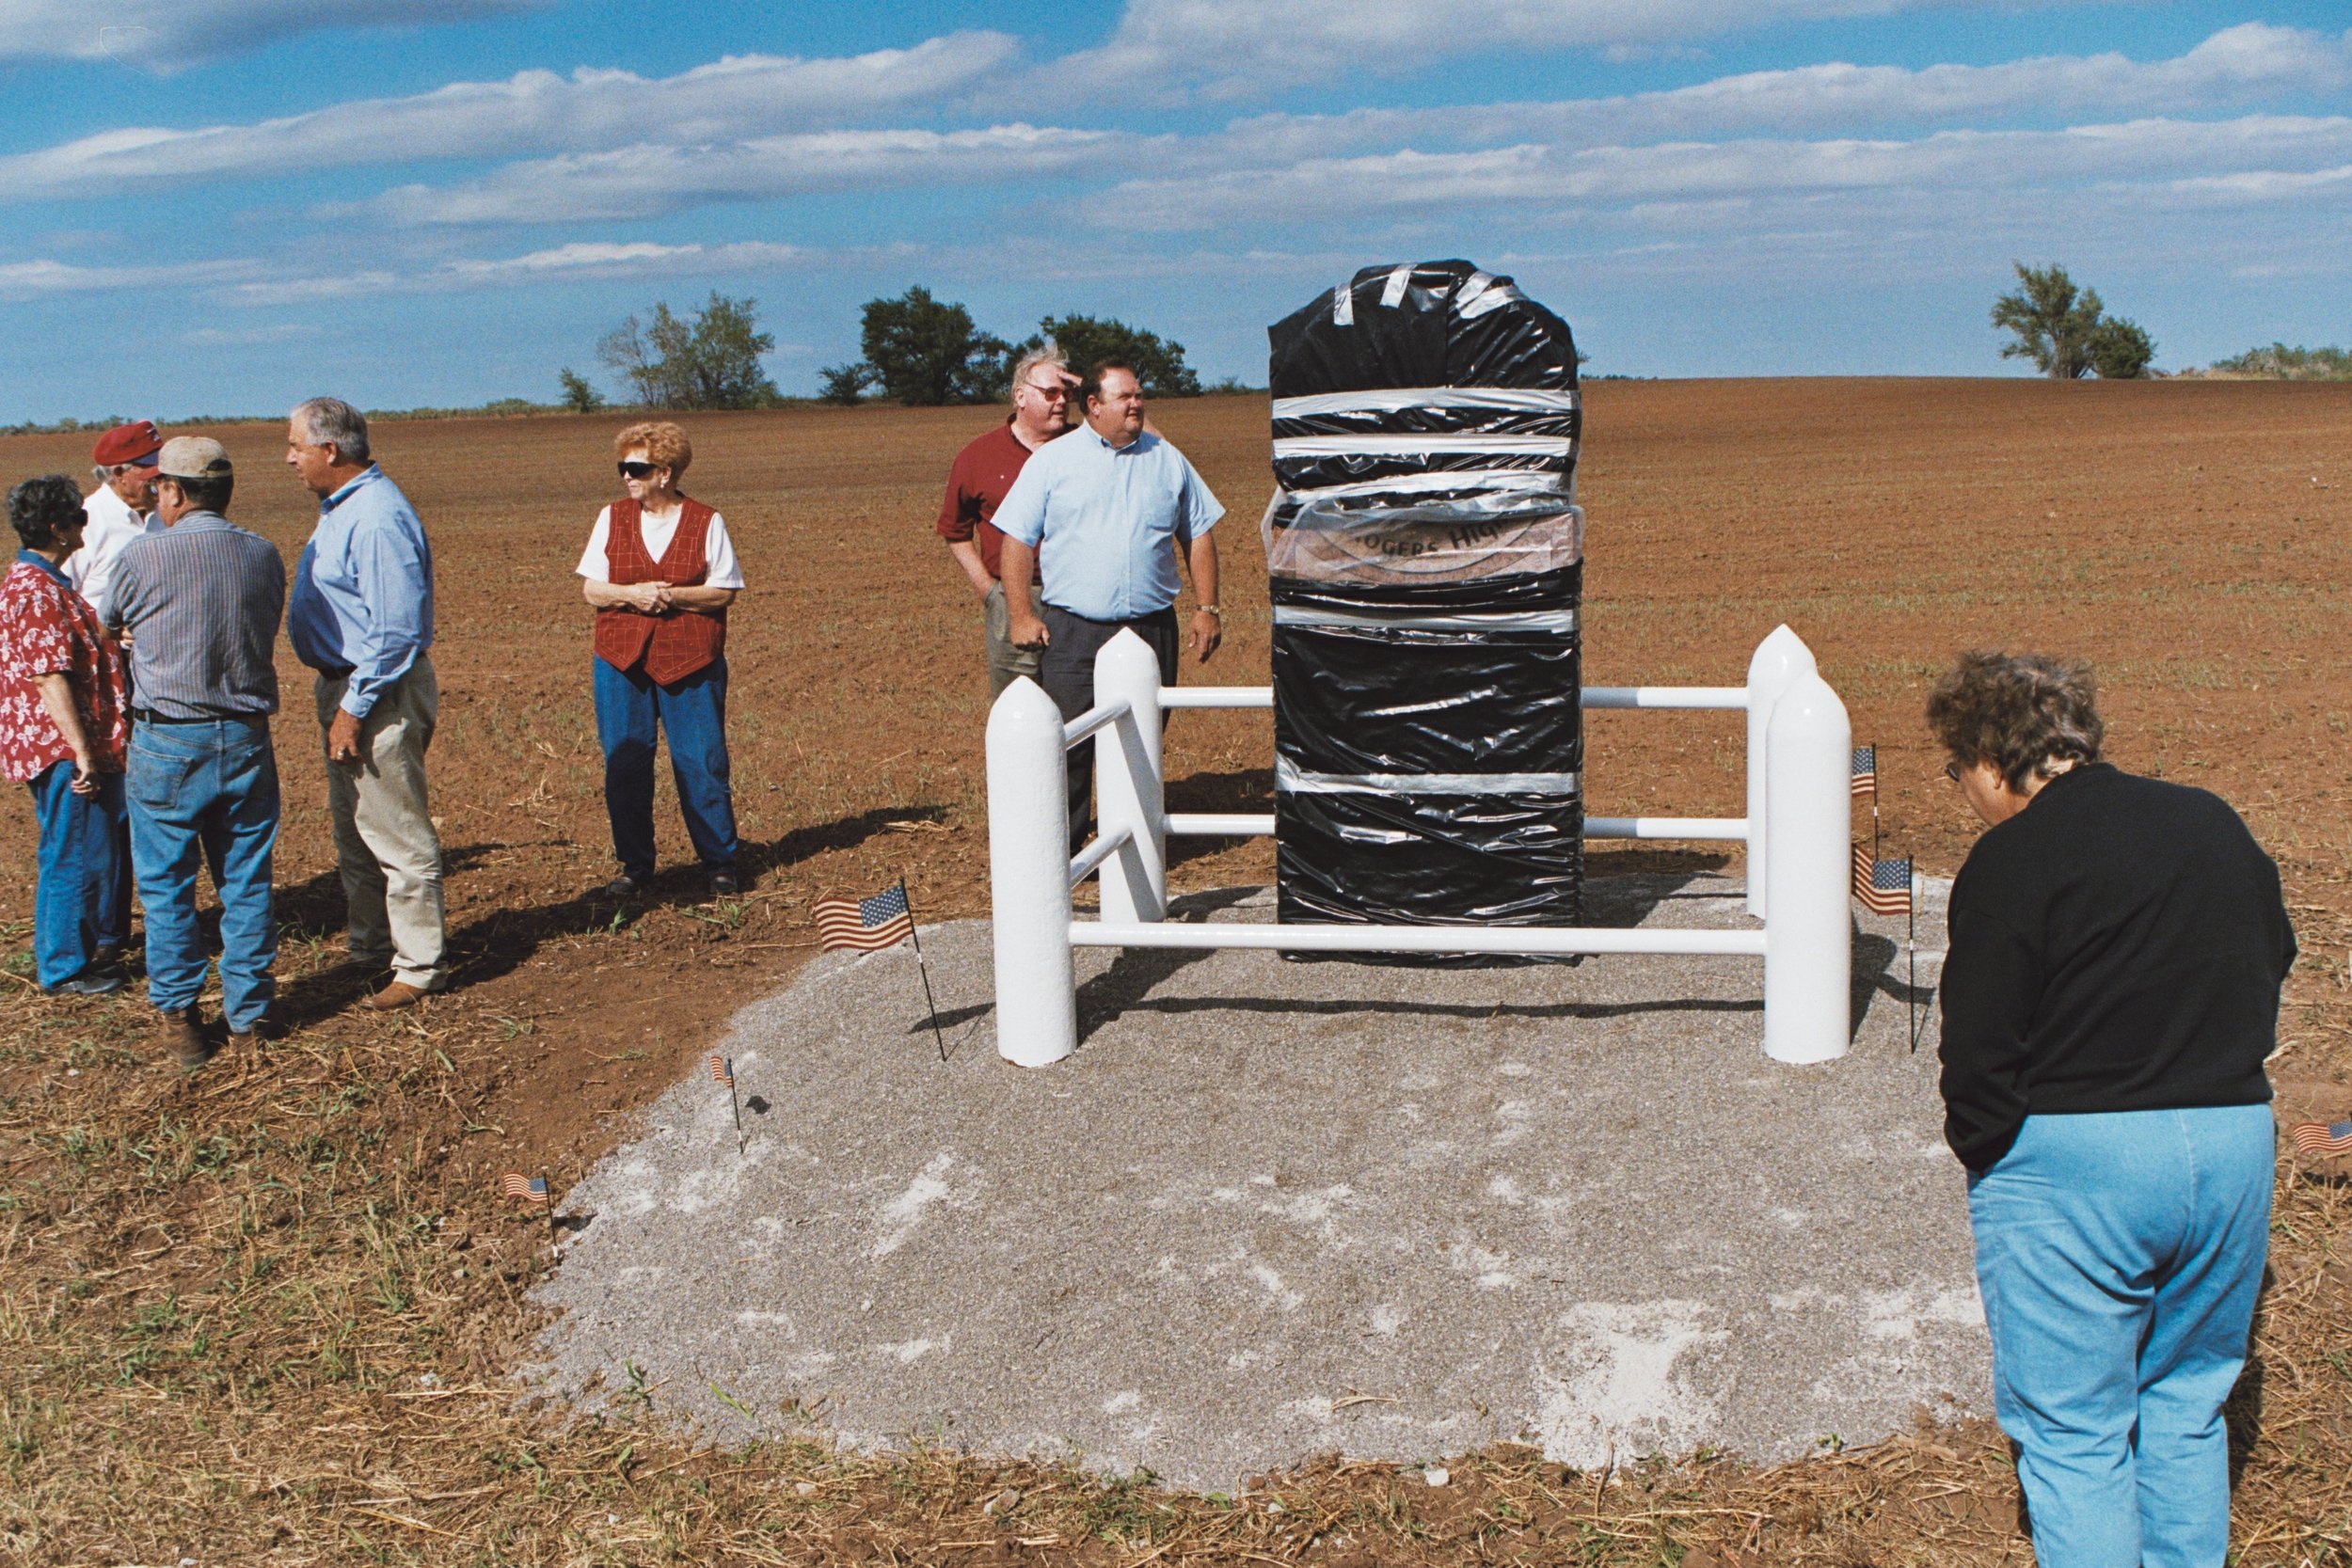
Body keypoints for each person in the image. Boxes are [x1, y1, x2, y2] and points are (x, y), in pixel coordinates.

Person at [1931, 649, 2295, 1568]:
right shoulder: (2210, 821)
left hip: (2073, 1168)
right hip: (2230, 1145)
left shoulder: (2011, 857)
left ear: (1988, 755)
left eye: (1953, 768)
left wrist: (1990, 1154)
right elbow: (2275, 952)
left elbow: (1976, 1043)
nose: (1959, 790)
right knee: (2183, 1408)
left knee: (2075, 1436)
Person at [103, 438, 285, 1068]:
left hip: (167, 738)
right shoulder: (262, 554)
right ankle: (250, 1020)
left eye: (160, 488)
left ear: (173, 492)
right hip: (244, 736)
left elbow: (108, 623)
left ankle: (180, 1020)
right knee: (246, 882)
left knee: (166, 887)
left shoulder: (140, 554)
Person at [995, 361, 1223, 843]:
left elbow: (1198, 533)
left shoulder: (1168, 459)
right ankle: (1064, 855)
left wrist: (1207, 608)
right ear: (1094, 406)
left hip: (1152, 629)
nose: (1137, 404)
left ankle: (1137, 848)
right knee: (1070, 744)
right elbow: (1015, 541)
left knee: (1140, 743)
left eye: (1140, 395)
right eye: (1125, 397)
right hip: (1075, 632)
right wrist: (1020, 614)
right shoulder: (1052, 463)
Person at [285, 397, 449, 1010]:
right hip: (349, 685)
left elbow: (396, 632)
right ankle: (370, 948)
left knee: (397, 831)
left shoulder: (376, 517)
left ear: (331, 450)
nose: (289, 458)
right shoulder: (343, 508)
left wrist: (352, 708)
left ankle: (420, 966)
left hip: (376, 689)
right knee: (356, 829)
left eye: (295, 446)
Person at [578, 420, 744, 898]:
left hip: (690, 660)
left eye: (637, 468)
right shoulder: (610, 518)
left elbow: (723, 591)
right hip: (619, 660)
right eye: (622, 468)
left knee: (702, 761)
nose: (627, 477)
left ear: (665, 473)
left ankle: (719, 864)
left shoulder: (707, 521)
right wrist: (632, 594)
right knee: (625, 762)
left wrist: (669, 598)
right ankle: (635, 866)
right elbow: (592, 587)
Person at [1, 474, 131, 994]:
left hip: (58, 743)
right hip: (59, 746)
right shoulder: (37, 591)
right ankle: (63, 966)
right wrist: (81, 751)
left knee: (79, 844)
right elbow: (48, 676)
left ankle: (79, 951)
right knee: (70, 849)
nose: (85, 524)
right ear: (57, 529)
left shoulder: (42, 583)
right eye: (78, 517)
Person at [937, 347, 1074, 697]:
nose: (1061, 401)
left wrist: (1093, 388)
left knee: (1081, 706)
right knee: (1020, 705)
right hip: (1015, 597)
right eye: (1051, 393)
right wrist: (989, 591)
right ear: (1020, 396)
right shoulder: (978, 456)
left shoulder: (1087, 447)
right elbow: (955, 531)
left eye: (1068, 393)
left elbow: (1146, 439)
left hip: (1081, 599)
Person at [68, 420, 162, 613]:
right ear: (120, 474)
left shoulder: (168, 514)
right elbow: (62, 597)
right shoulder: (86, 521)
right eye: (151, 470)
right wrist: (111, 631)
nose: (160, 479)